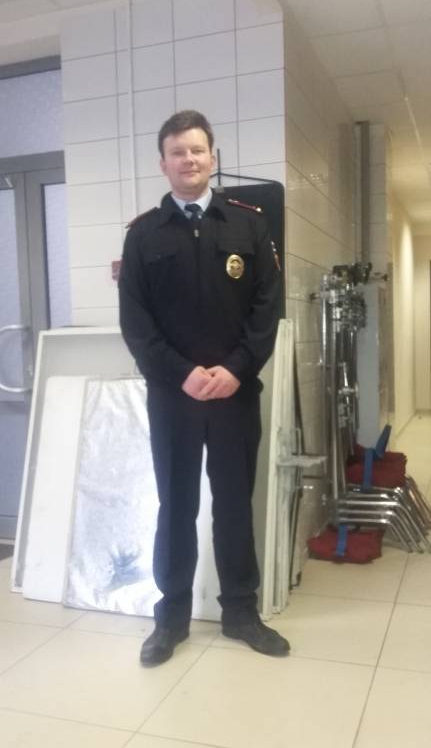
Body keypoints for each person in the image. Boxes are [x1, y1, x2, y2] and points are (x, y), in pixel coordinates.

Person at [119, 110, 289, 667]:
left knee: (235, 503)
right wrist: (181, 374)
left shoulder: (248, 224)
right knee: (176, 504)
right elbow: (136, 324)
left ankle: (240, 612)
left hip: (234, 394)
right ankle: (170, 618)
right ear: (163, 163)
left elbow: (267, 306)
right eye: (177, 152)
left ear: (212, 157)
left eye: (197, 150)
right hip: (175, 398)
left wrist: (236, 369)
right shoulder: (144, 234)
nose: (188, 160)